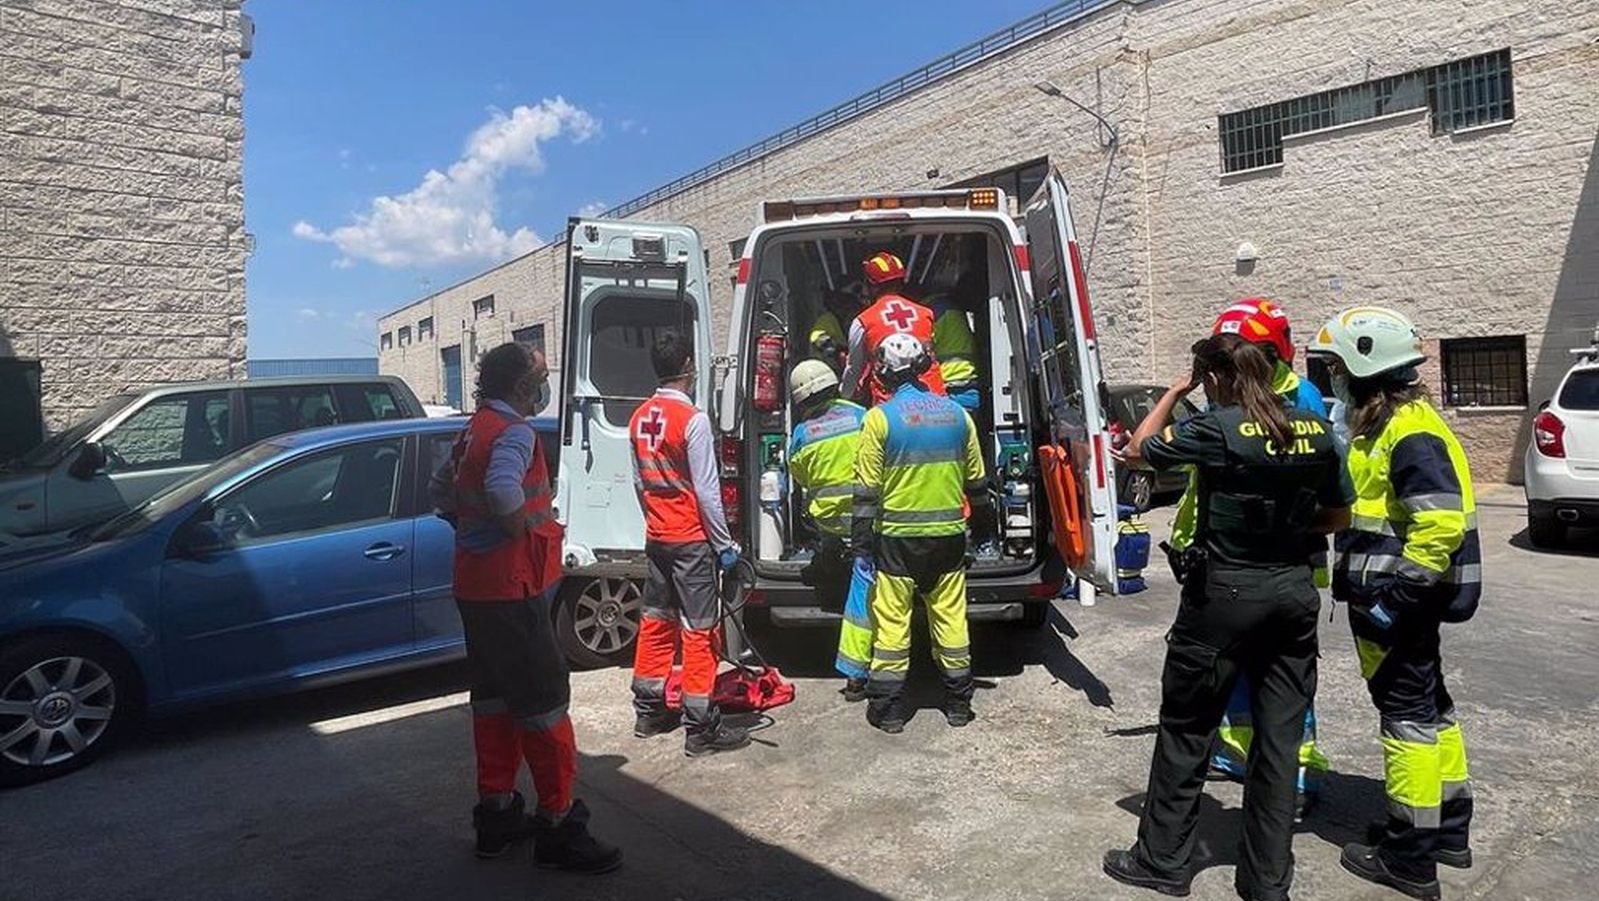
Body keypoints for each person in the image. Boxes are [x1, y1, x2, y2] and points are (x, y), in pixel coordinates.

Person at [1104, 333, 1352, 901]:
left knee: (1188, 729)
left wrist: (1172, 393)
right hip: (1292, 595)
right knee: (1279, 742)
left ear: (1213, 378)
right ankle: (1267, 882)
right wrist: (1286, 530)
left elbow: (1138, 449)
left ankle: (1163, 862)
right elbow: (1338, 514)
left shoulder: (1217, 427)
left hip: (1224, 597)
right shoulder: (1315, 429)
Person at [1308, 307, 1479, 901]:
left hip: (1398, 603)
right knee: (1433, 710)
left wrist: (1397, 597)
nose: (1331, 378)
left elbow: (1439, 524)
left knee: (1406, 719)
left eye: (1334, 368)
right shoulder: (1394, 424)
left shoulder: (1410, 433)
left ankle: (1409, 856)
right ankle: (1446, 831)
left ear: (1362, 366)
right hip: (1401, 600)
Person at [430, 342, 621, 874]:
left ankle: (497, 818)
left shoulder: (474, 429)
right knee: (544, 707)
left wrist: (477, 533)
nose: (543, 386)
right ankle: (560, 828)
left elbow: (441, 490)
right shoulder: (514, 433)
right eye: (539, 377)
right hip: (515, 592)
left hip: (477, 590)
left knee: (492, 704)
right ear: (520, 386)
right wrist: (512, 531)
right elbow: (502, 493)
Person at [1174, 299, 1333, 816]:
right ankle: (1240, 754)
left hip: (1277, 558)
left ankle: (1298, 777)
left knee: (1281, 682)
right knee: (1238, 671)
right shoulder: (1236, 398)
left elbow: (1324, 490)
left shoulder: (1300, 399)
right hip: (1231, 555)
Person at [853, 334, 988, 732]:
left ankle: (890, 710)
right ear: (923, 365)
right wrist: (979, 532)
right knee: (950, 618)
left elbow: (865, 493)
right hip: (948, 537)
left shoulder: (879, 419)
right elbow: (977, 483)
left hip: (897, 540)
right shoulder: (958, 416)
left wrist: (861, 546)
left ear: (883, 372)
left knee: (892, 622)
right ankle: (959, 704)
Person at [627, 330, 751, 758]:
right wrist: (724, 546)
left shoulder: (639, 417)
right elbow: (707, 491)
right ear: (688, 368)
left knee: (656, 622)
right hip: (690, 541)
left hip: (657, 538)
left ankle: (649, 711)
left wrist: (653, 522)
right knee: (700, 631)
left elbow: (639, 482)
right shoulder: (693, 420)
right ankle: (701, 728)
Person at [785, 359, 872, 700]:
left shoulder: (803, 434)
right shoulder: (862, 415)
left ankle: (830, 557)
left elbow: (799, 476)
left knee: (826, 538)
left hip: (828, 521)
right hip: (867, 516)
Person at [841, 252, 947, 406]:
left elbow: (854, 369)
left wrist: (843, 398)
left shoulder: (863, 322)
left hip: (891, 406)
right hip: (935, 399)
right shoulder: (926, 314)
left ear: (871, 285)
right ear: (901, 283)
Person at [808, 285, 860, 374]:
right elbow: (818, 339)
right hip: (827, 372)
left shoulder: (854, 319)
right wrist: (838, 351)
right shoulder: (827, 319)